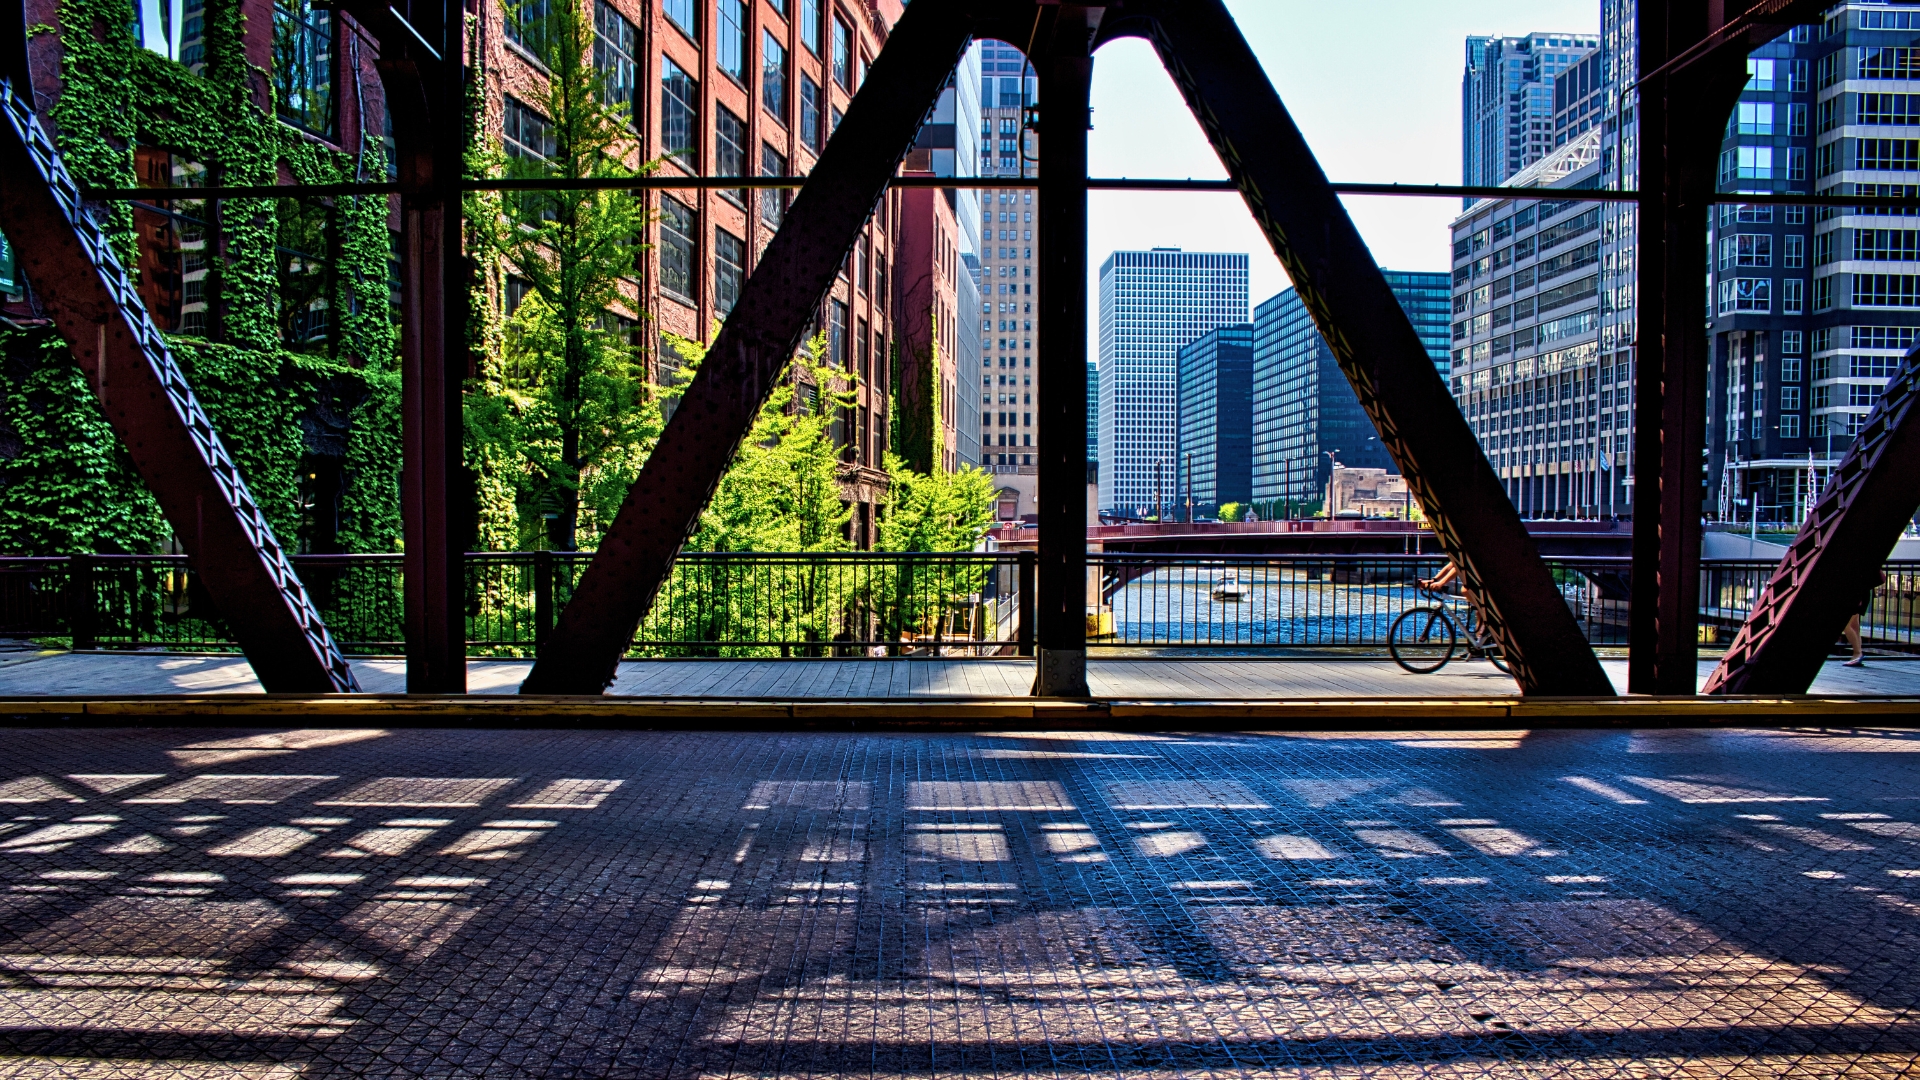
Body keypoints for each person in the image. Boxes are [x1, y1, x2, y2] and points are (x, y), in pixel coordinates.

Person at [1843, 569, 1890, 667]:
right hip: (1860, 594)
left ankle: (1857, 653)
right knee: (1854, 625)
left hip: (1857, 595)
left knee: (1847, 626)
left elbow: (1859, 580)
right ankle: (1857, 654)